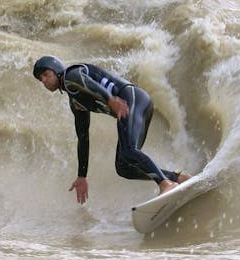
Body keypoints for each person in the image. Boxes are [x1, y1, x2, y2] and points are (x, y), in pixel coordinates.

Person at [32, 55, 191, 204]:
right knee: (124, 167)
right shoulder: (76, 102)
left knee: (129, 151)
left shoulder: (70, 75)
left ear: (56, 69)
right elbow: (83, 137)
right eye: (41, 79)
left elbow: (87, 82)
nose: (44, 80)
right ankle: (178, 178)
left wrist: (110, 99)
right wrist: (82, 176)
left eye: (46, 74)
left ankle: (165, 184)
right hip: (129, 110)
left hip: (132, 99)